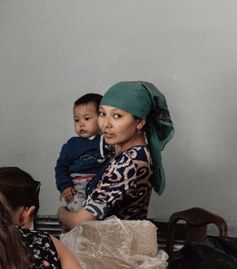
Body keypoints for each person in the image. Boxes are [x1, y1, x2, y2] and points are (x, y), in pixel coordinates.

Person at [58, 81, 174, 231]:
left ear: (139, 122)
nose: (106, 124)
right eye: (102, 114)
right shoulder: (133, 153)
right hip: (115, 244)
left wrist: (61, 213)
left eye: (117, 116)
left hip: (115, 249)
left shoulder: (128, 163)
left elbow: (80, 221)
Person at [54, 93, 111, 212]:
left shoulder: (109, 141)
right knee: (79, 212)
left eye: (87, 118)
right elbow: (61, 167)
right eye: (76, 120)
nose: (81, 124)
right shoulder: (72, 145)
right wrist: (65, 186)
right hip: (78, 188)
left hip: (100, 189)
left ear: (102, 118)